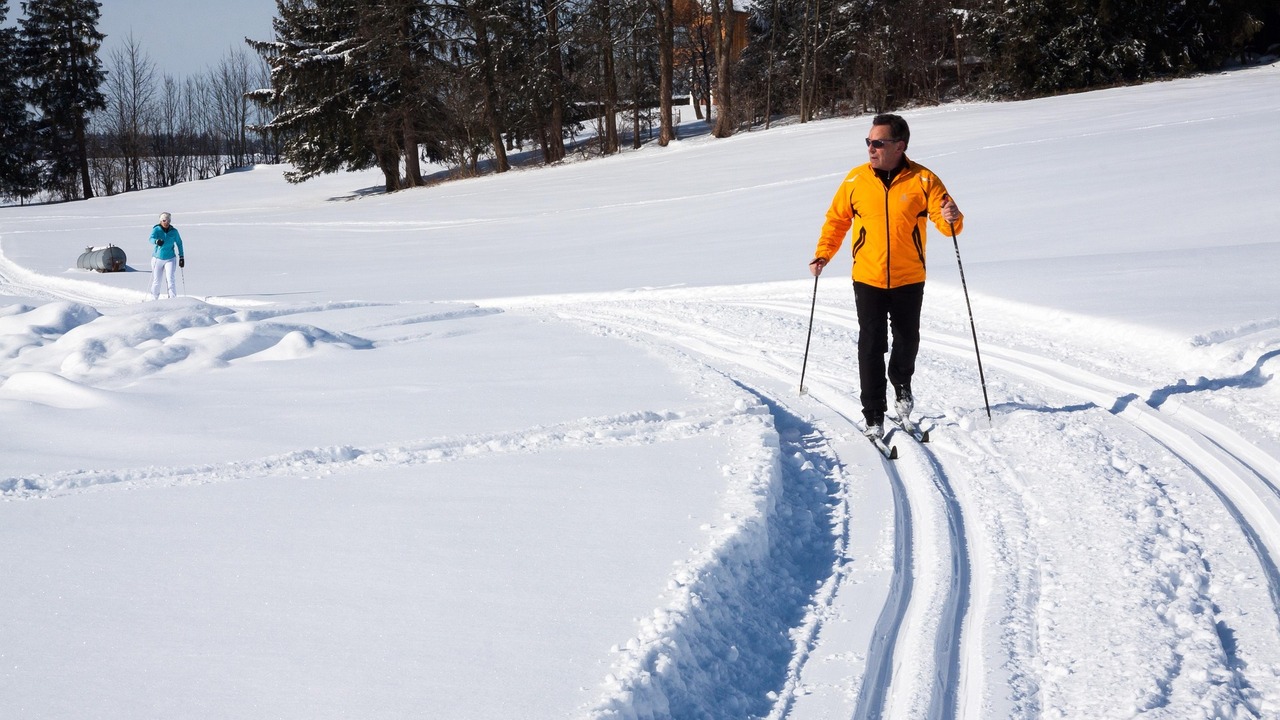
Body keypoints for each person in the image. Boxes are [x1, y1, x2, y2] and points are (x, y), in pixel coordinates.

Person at [808, 113, 962, 439]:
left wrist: (952, 216)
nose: (871, 149)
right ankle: (874, 413)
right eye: (868, 142)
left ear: (899, 145)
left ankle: (901, 383)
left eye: (878, 142)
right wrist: (823, 253)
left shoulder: (924, 180)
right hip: (868, 277)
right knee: (871, 344)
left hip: (909, 277)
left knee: (907, 342)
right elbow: (836, 221)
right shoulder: (855, 181)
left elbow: (946, 219)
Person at [148, 212, 185, 299]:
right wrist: (156, 241)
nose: (166, 222)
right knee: (157, 280)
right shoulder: (156, 229)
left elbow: (179, 243)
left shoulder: (174, 231)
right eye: (164, 220)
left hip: (170, 258)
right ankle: (154, 299)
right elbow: (151, 239)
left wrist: (181, 257)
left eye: (168, 220)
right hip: (157, 258)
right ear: (161, 221)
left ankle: (172, 299)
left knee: (170, 280)